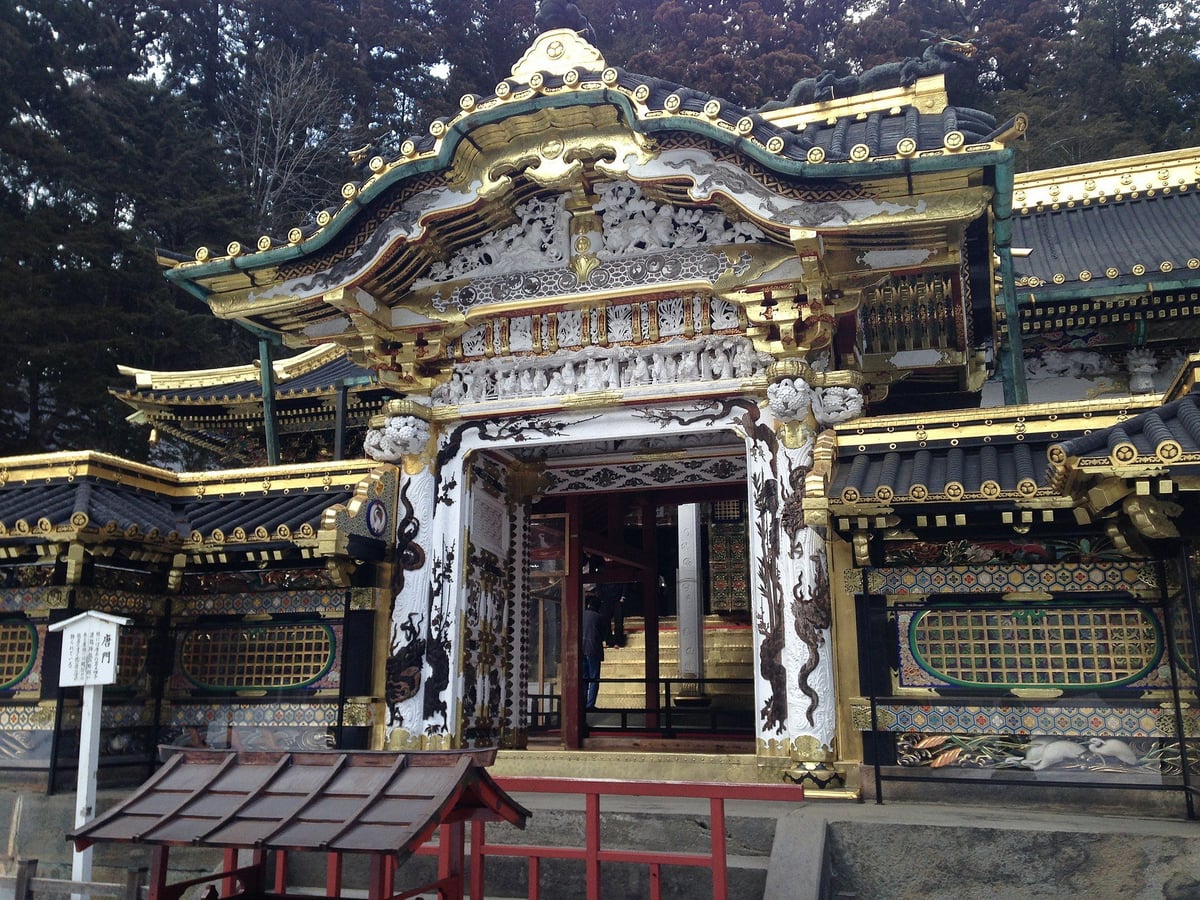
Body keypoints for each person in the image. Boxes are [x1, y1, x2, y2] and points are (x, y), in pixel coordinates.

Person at [582, 593, 605, 710]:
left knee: (584, 678)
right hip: (593, 649)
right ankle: (590, 705)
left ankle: (582, 703)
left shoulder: (581, 615)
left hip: (581, 649)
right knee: (594, 678)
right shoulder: (598, 617)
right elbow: (604, 634)